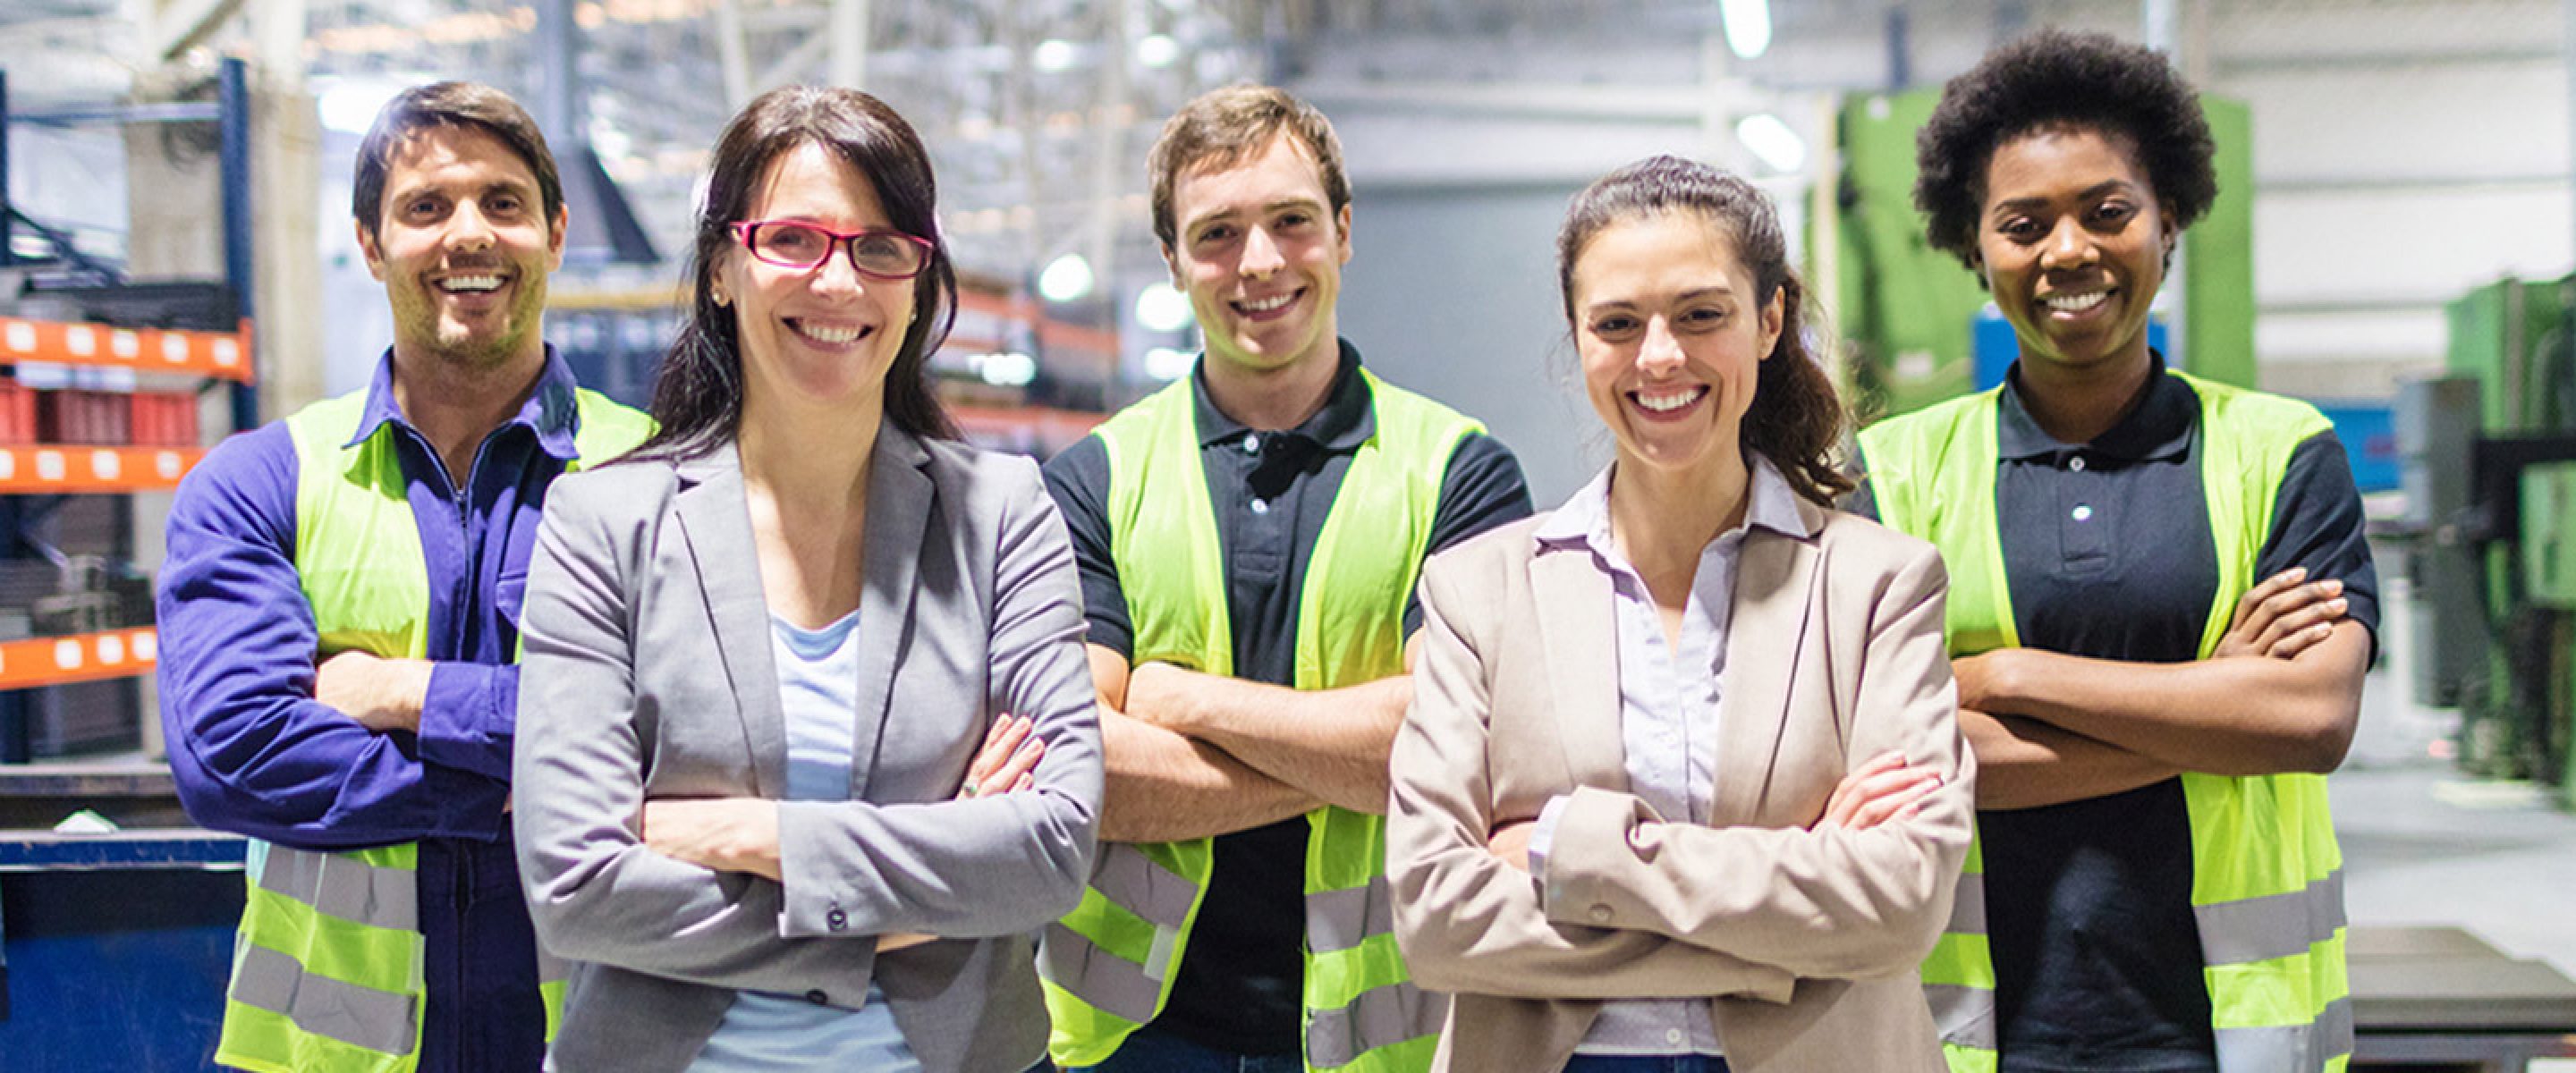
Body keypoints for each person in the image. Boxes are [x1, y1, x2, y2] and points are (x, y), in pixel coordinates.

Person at [508, 85, 1101, 1073]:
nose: (837, 283)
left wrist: (757, 835)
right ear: (721, 271)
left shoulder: (1003, 515)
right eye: (793, 239)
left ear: (917, 284)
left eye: (879, 248)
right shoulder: (603, 525)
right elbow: (575, 885)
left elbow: (1049, 852)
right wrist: (912, 891)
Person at [1854, 29, 2378, 1073]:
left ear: (2167, 218)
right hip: (1975, 1035)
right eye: (2022, 223)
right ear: (1974, 246)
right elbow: (1897, 760)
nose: (2068, 251)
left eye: (2108, 212)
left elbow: (2311, 717)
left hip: (2228, 1035)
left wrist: (2006, 676)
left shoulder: (2280, 453)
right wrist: (2218, 704)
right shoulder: (1895, 472)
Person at [1384, 155, 1975, 1073]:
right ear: (1579, 339)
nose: (1659, 357)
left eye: (1702, 315)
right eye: (1617, 324)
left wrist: (1567, 852)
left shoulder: (1879, 588)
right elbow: (1432, 916)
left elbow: (1898, 906)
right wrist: (1793, 904)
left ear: (1769, 320)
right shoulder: (1478, 594)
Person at [155, 81, 651, 1073]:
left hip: (602, 1043)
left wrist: (402, 693)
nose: (469, 235)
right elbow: (231, 754)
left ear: (555, 233)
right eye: (426, 207)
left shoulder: (661, 474)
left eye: (503, 204)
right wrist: (546, 777)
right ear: (372, 245)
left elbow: (700, 734)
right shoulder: (263, 483)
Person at [1037, 84, 1534, 1071]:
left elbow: (1462, 755)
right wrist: (1355, 760)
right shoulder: (1096, 478)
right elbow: (1085, 776)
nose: (1258, 262)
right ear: (1174, 261)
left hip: (1379, 1041)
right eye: (1216, 233)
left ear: (1343, 232)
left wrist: (1185, 701)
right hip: (1133, 1039)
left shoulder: (1461, 472)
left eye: (1291, 221)